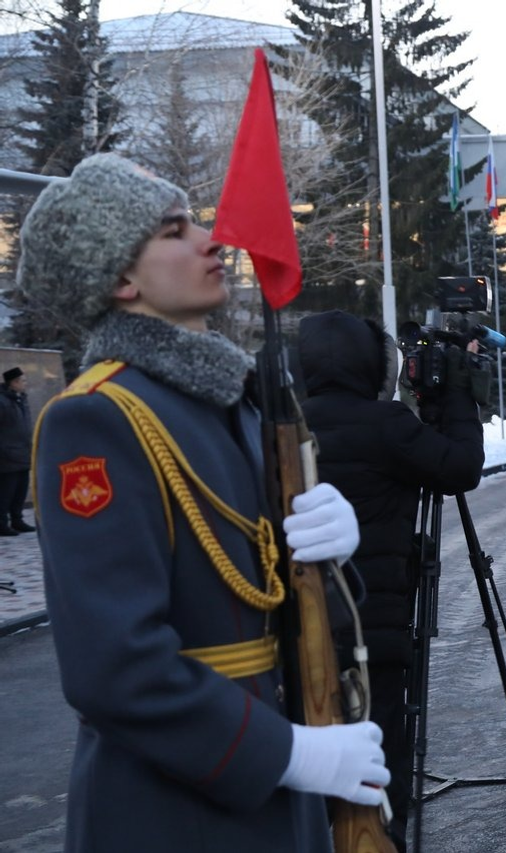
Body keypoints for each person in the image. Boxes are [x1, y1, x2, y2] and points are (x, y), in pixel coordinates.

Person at [19, 153, 386, 852]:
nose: (210, 239)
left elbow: (269, 589)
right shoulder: (98, 417)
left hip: (274, 787)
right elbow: (114, 668)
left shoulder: (233, 403)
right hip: (177, 807)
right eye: (173, 230)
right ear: (120, 279)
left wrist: (333, 558)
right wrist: (284, 754)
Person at [297, 309, 485, 850]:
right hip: (372, 630)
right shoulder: (384, 424)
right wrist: (456, 396)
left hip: (301, 624)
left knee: (313, 753)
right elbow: (460, 468)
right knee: (379, 754)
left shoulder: (286, 427)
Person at [0, 366, 35, 535]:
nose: (25, 383)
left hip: (22, 452)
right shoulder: (2, 401)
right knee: (6, 492)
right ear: (13, 383)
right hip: (7, 455)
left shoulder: (21, 399)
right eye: (22, 381)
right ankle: (1, 523)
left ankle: (17, 520)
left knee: (20, 490)